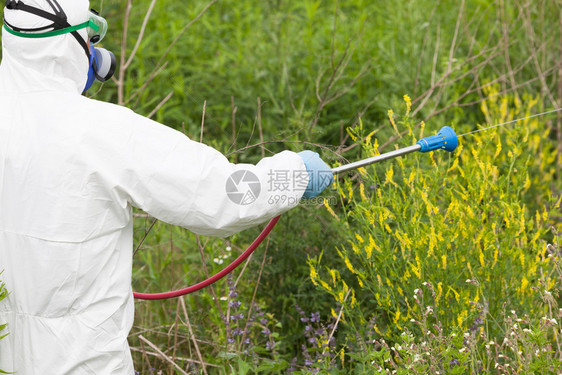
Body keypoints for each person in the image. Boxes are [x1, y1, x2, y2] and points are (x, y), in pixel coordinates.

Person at [0, 0, 333, 373]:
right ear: (70, 44)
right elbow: (220, 195)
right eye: (90, 41)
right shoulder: (103, 132)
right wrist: (294, 174)